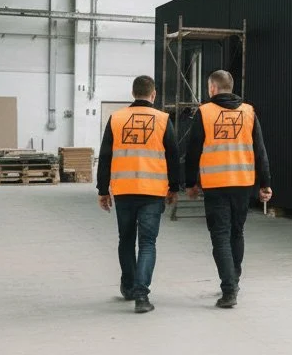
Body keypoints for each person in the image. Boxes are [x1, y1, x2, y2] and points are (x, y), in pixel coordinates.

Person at [181, 70, 272, 309]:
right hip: (243, 183)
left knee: (220, 236)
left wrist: (190, 183)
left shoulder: (205, 112)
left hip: (215, 184)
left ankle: (229, 289)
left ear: (212, 88)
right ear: (231, 87)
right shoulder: (249, 112)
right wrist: (265, 184)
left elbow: (193, 151)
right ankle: (234, 278)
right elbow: (260, 151)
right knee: (237, 232)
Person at [97, 75, 182, 314]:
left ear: (133, 94)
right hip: (152, 192)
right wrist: (174, 188)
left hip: (124, 191)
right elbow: (173, 157)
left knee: (125, 240)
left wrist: (103, 190)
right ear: (153, 94)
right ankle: (142, 296)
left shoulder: (117, 118)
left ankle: (128, 286)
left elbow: (105, 157)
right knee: (147, 243)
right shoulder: (163, 119)